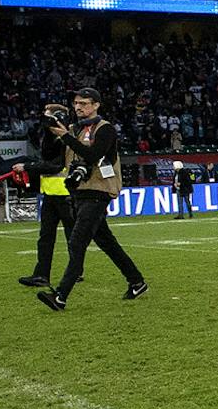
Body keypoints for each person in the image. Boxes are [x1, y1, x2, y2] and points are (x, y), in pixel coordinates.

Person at [35, 88, 147, 311]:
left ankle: (60, 296)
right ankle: (137, 281)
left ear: (96, 105)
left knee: (76, 242)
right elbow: (50, 156)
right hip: (80, 192)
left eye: (84, 103)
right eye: (76, 103)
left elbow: (92, 155)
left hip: (99, 191)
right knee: (107, 242)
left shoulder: (105, 129)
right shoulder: (74, 129)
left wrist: (65, 135)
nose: (78, 107)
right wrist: (50, 131)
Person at [17, 103, 74, 285]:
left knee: (72, 236)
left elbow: (56, 165)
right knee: (46, 237)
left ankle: (75, 270)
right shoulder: (51, 137)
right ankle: (41, 274)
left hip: (65, 193)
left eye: (48, 116)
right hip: (51, 192)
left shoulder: (64, 138)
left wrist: (27, 167)